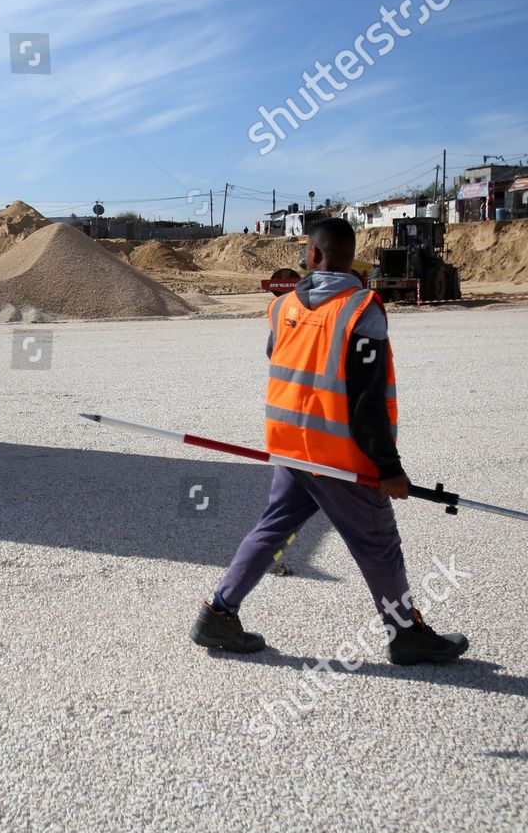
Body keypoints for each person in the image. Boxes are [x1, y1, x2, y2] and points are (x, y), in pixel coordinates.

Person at [190, 218, 469, 665]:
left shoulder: (283, 308)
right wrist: (388, 468)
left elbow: (284, 361)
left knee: (272, 529)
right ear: (350, 258)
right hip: (340, 458)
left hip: (291, 447)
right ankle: (405, 634)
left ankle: (219, 612)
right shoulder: (361, 309)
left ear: (312, 255)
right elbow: (366, 400)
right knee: (378, 544)